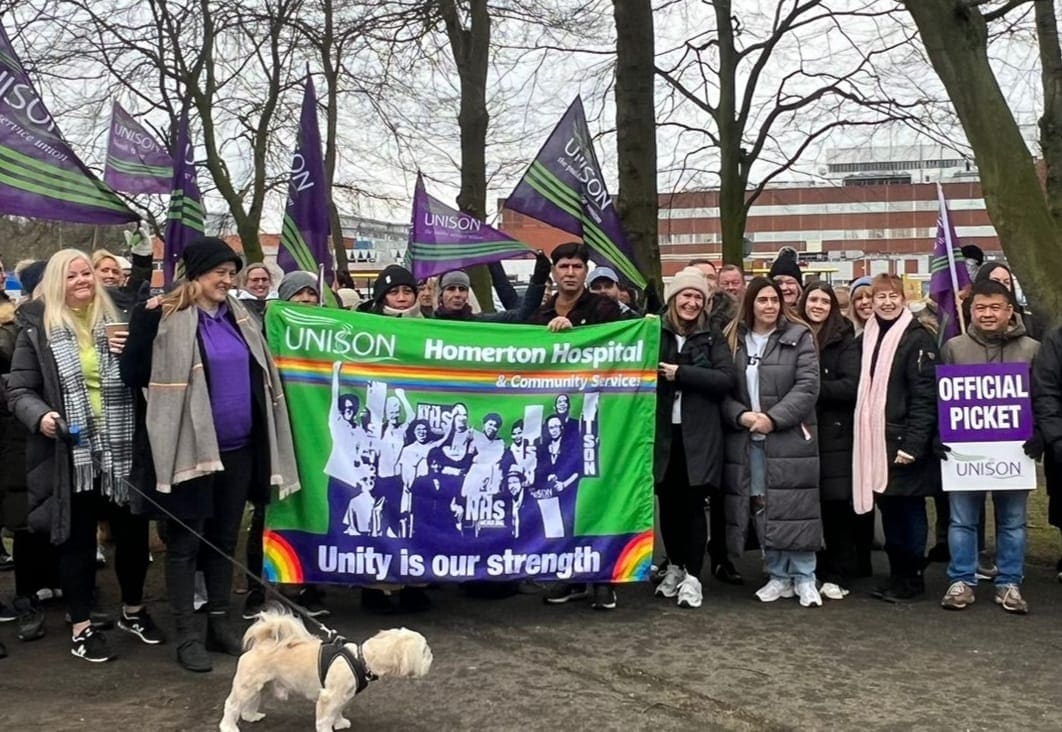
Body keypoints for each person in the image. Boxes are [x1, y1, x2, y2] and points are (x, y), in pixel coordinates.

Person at [120, 237, 300, 672]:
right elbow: (132, 373)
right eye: (219, 272)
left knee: (222, 542)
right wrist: (142, 328)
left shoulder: (240, 318)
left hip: (238, 451)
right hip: (190, 450)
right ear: (196, 274)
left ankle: (219, 624)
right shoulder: (166, 316)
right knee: (185, 544)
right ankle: (186, 635)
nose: (227, 279)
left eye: (231, 272)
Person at [6, 249, 163, 664]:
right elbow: (18, 391)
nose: (83, 280)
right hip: (70, 455)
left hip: (122, 450)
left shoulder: (117, 321)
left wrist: (130, 349)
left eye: (87, 273)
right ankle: (81, 626)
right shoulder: (36, 329)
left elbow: (145, 373)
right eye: (72, 275)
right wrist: (42, 417)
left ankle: (133, 610)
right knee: (76, 540)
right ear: (58, 282)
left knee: (132, 536)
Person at [937, 279, 1040, 613]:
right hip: (965, 452)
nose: (987, 313)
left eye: (995, 307)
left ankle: (1009, 582)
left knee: (1012, 522)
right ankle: (962, 580)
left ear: (1010, 311)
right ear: (970, 310)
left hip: (1014, 452)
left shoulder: (1031, 349)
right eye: (980, 307)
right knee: (962, 520)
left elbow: (1042, 397)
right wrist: (938, 434)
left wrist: (1038, 433)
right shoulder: (954, 347)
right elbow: (940, 398)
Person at [529, 242, 622, 610]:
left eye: (576, 266)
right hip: (558, 418)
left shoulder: (603, 307)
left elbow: (618, 346)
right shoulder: (541, 314)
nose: (570, 272)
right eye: (563, 266)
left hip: (597, 413)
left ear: (586, 271)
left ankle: (602, 576)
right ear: (554, 271)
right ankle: (568, 573)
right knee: (563, 503)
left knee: (597, 495)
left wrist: (576, 336)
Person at [721, 277, 822, 607]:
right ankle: (778, 574)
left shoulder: (799, 336)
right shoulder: (734, 339)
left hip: (790, 437)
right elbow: (722, 390)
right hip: (749, 439)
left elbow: (807, 386)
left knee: (796, 506)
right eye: (762, 300)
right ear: (750, 304)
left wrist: (773, 418)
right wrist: (742, 416)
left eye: (774, 300)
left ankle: (805, 576)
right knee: (763, 504)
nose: (769, 306)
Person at [852, 274, 940, 603]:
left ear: (904, 299)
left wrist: (913, 445)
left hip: (903, 442)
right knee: (889, 511)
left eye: (893, 296)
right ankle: (896, 573)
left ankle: (912, 577)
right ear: (870, 302)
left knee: (910, 511)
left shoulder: (917, 339)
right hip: (877, 443)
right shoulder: (868, 337)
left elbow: (924, 397)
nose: (887, 303)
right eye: (880, 297)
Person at [653, 267, 735, 609]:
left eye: (698, 298)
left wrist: (682, 373)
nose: (691, 302)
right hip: (663, 434)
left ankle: (694, 575)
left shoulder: (712, 337)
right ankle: (673, 565)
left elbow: (724, 380)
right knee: (668, 505)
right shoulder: (654, 332)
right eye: (686, 295)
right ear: (674, 299)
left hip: (698, 436)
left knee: (692, 506)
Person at [799, 282, 865, 599]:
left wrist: (807, 392)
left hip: (834, 431)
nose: (818, 305)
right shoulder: (792, 333)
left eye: (825, 301)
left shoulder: (844, 340)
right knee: (806, 503)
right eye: (813, 299)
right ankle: (809, 568)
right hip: (798, 430)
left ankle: (838, 570)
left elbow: (850, 386)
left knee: (836, 504)